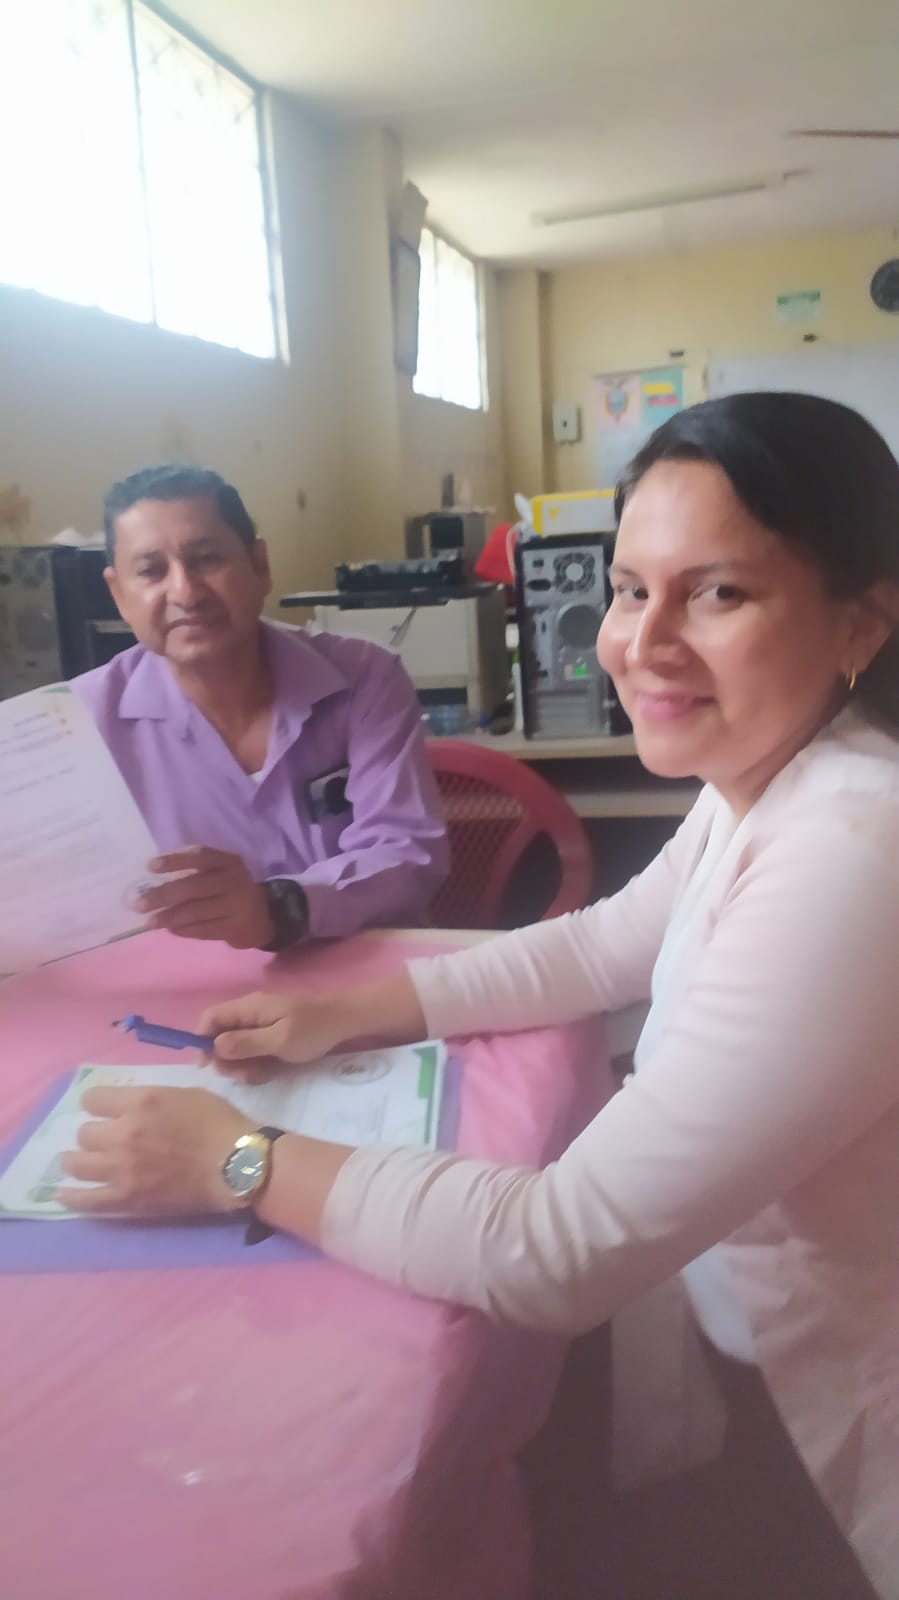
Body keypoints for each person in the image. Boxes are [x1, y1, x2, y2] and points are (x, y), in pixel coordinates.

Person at [60, 397, 899, 1595]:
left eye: (717, 593)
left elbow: (557, 1247)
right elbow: (604, 942)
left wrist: (236, 1160)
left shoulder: (848, 850)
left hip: (819, 1419)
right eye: (628, 589)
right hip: (737, 1328)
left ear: (859, 621)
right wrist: (344, 1011)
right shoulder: (772, 779)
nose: (640, 642)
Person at [73, 464, 448, 951]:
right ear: (119, 595)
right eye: (151, 571)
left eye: (207, 559)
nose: (185, 592)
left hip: (373, 972)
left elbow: (406, 850)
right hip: (194, 986)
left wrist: (277, 909)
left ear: (260, 566)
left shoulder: (365, 677)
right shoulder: (77, 726)